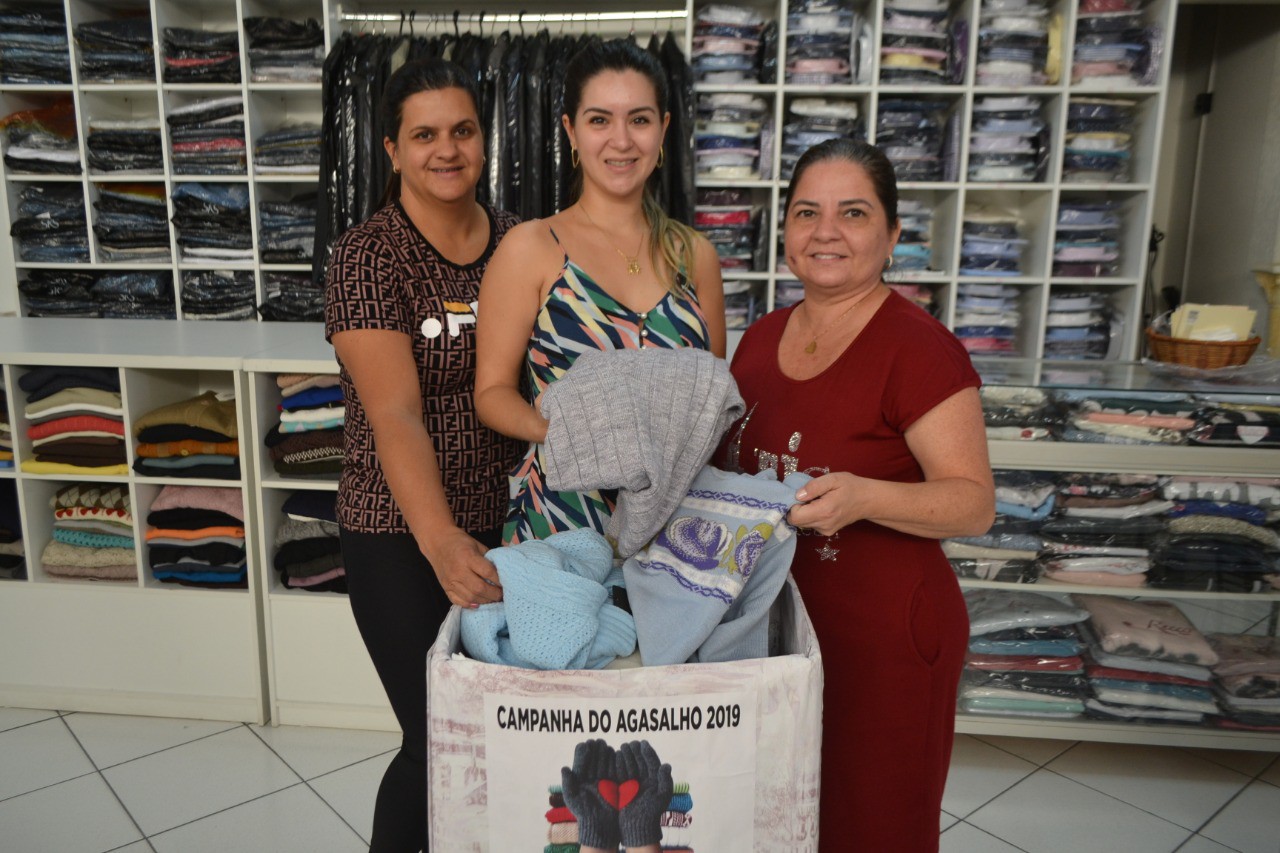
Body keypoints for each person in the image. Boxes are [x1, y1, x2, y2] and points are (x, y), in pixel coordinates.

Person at [716, 138, 995, 852]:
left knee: (873, 826)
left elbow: (973, 503)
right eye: (807, 212)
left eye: (854, 213)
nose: (826, 232)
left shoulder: (918, 349)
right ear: (786, 231)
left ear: (893, 234)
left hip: (883, 640)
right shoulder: (761, 338)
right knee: (782, 822)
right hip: (778, 633)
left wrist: (867, 497)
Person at [323, 58, 523, 853]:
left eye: (463, 130)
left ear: (485, 139)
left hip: (516, 523)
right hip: (399, 529)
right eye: (425, 134)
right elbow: (396, 413)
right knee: (439, 734)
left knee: (509, 731)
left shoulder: (520, 242)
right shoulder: (367, 256)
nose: (447, 150)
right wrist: (441, 541)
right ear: (392, 149)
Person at [475, 38, 725, 545]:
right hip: (562, 521)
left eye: (639, 119)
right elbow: (492, 394)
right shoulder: (532, 247)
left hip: (673, 531)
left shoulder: (695, 255)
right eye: (599, 120)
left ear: (664, 129)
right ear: (571, 130)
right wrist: (576, 435)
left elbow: (711, 402)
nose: (621, 140)